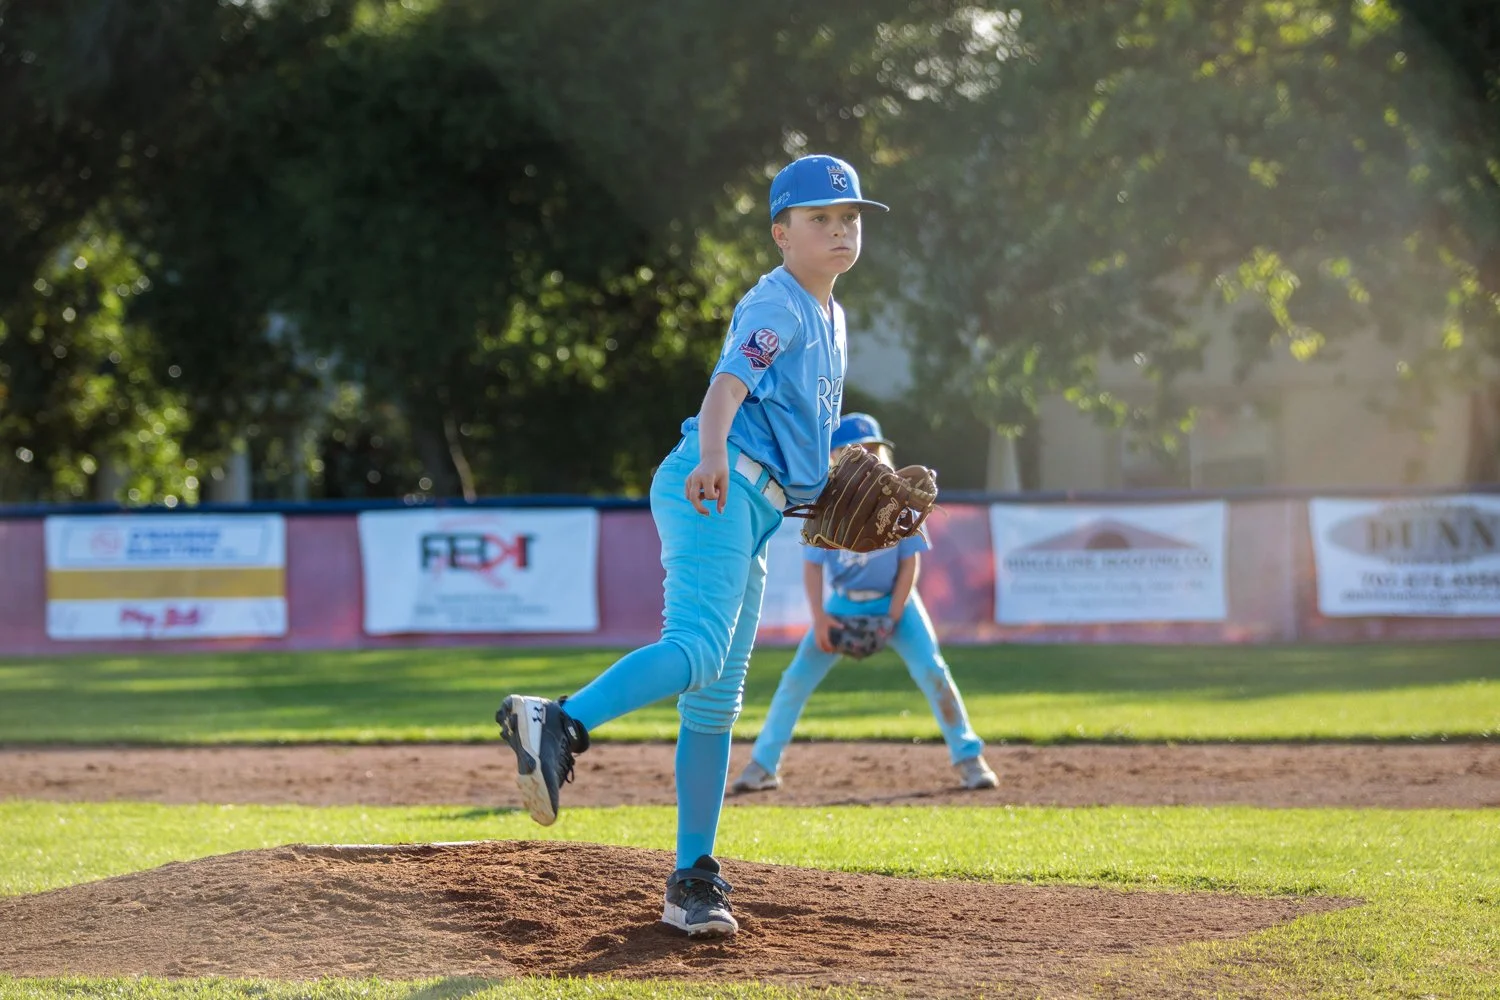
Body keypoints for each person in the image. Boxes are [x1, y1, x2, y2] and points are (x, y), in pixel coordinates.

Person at [495, 154, 887, 939]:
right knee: (699, 650)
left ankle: (692, 879)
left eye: (849, 217)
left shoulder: (832, 315)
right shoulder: (777, 302)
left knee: (715, 701)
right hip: (715, 483)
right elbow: (726, 389)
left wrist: (820, 490)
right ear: (781, 234)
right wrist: (712, 454)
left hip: (757, 505)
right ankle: (560, 721)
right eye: (819, 218)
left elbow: (788, 433)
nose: (840, 228)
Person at [732, 412, 998, 795]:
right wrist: (820, 619)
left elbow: (910, 564)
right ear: (835, 457)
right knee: (795, 680)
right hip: (842, 606)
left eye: (874, 449)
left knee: (933, 671)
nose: (869, 457)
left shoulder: (901, 505)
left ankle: (970, 758)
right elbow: (813, 568)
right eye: (857, 450)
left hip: (897, 603)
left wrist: (893, 615)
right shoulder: (825, 506)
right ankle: (762, 765)